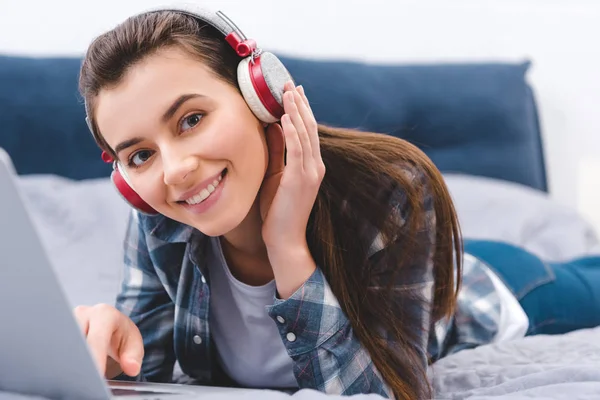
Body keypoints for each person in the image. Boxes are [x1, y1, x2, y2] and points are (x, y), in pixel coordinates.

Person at [74, 5, 600, 400]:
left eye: (191, 119)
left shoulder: (388, 193)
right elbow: (154, 371)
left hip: (498, 288)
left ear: (263, 96)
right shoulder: (158, 222)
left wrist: (287, 247)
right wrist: (116, 350)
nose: (175, 170)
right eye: (140, 156)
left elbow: (386, 390)